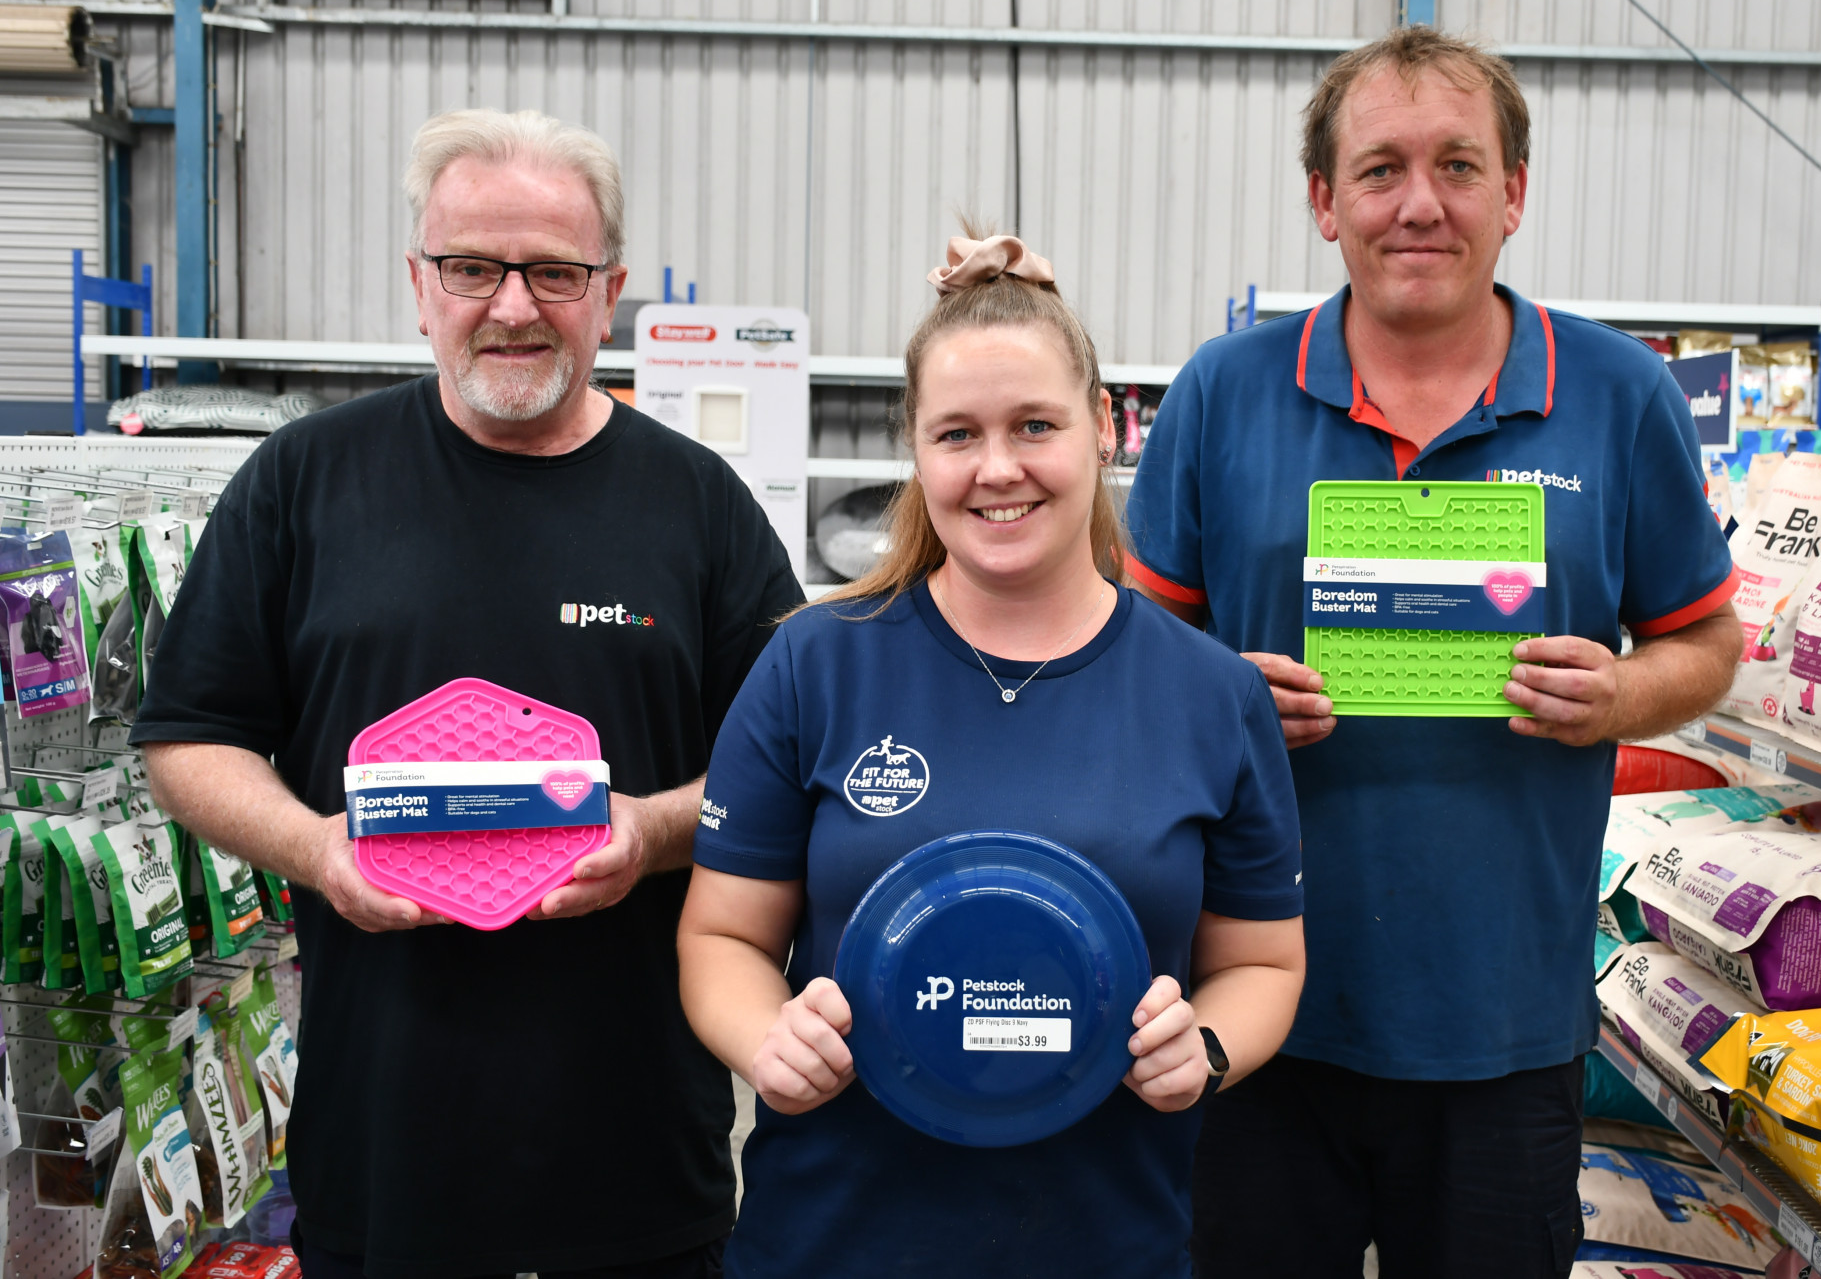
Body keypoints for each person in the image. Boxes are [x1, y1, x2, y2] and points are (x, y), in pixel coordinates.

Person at [132, 108, 804, 1279]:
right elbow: (190, 739)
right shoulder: (305, 480)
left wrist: (647, 830)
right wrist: (315, 848)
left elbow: (794, 772)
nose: (510, 305)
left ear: (610, 291)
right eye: (471, 268)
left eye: (553, 271)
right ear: (419, 282)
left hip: (637, 1164)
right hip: (388, 1161)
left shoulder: (698, 508)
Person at [1123, 27, 1744, 1278]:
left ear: (1512, 193)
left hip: (1500, 1028)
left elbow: (1710, 642)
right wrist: (1215, 697)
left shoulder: (1619, 396)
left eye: (1458, 166)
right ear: (1322, 201)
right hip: (1252, 1011)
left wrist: (1618, 690)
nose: (1419, 205)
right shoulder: (1223, 391)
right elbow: (1130, 648)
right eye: (1378, 170)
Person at [675, 234, 1308, 1279]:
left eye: (1035, 426)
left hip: (1104, 1244)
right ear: (916, 453)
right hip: (833, 1241)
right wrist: (762, 1041)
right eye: (956, 434)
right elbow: (719, 937)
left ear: (1101, 431)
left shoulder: (1209, 693)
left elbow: (1261, 961)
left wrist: (1201, 1050)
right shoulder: (814, 663)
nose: (996, 468)